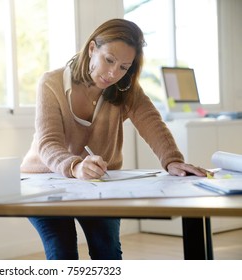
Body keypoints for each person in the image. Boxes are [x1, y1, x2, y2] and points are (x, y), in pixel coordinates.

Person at [20, 18, 210, 260]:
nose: (113, 73)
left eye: (124, 67)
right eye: (109, 60)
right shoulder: (51, 82)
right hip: (45, 178)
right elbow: (48, 143)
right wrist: (76, 166)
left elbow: (152, 123)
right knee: (62, 251)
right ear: (92, 49)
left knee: (107, 251)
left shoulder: (126, 89)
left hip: (99, 182)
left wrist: (172, 160)